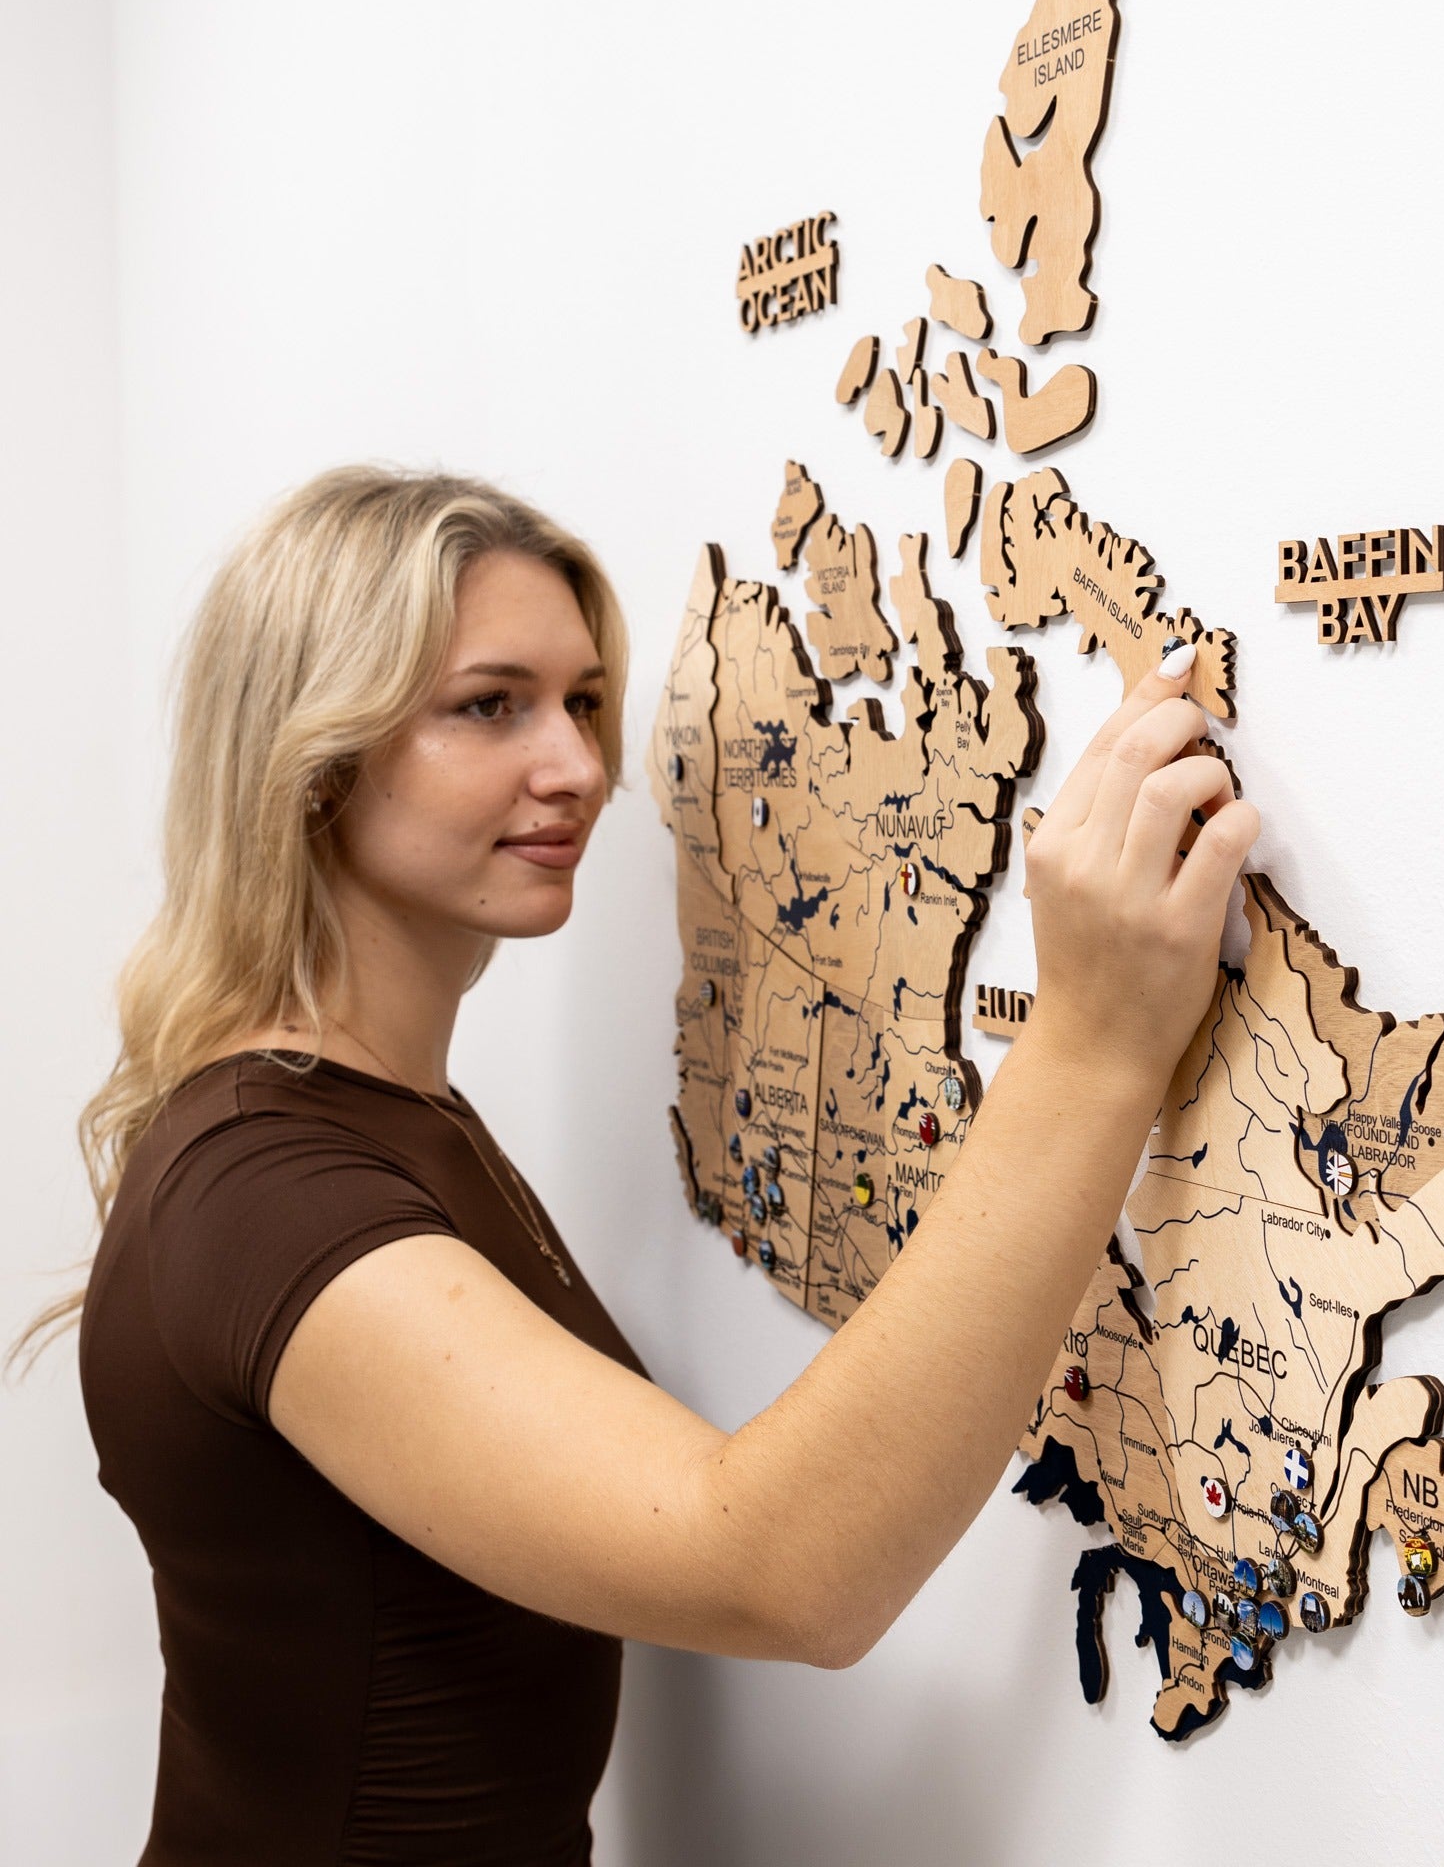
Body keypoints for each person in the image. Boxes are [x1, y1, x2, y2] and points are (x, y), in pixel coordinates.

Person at [17, 465, 1260, 1864]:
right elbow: (784, 1573)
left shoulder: (388, 1120)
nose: (579, 768)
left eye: (585, 702)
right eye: (490, 705)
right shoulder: (265, 1192)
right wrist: (1089, 1042)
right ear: (314, 751)